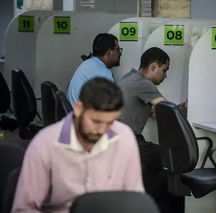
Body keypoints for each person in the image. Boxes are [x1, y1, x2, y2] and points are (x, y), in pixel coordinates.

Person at [12, 78, 144, 213]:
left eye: (110, 122)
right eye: (96, 121)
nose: (102, 130)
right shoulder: (45, 144)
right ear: (79, 108)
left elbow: (134, 201)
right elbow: (24, 209)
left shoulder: (124, 138)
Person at [118, 47, 186, 213]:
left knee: (153, 165)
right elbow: (168, 111)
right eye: (165, 70)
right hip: (127, 141)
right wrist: (185, 109)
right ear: (154, 66)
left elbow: (156, 110)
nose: (166, 75)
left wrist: (175, 109)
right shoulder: (143, 83)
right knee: (174, 158)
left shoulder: (129, 78)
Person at [67, 33, 122, 107]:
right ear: (109, 52)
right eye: (118, 50)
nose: (120, 53)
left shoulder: (88, 63)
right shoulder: (104, 74)